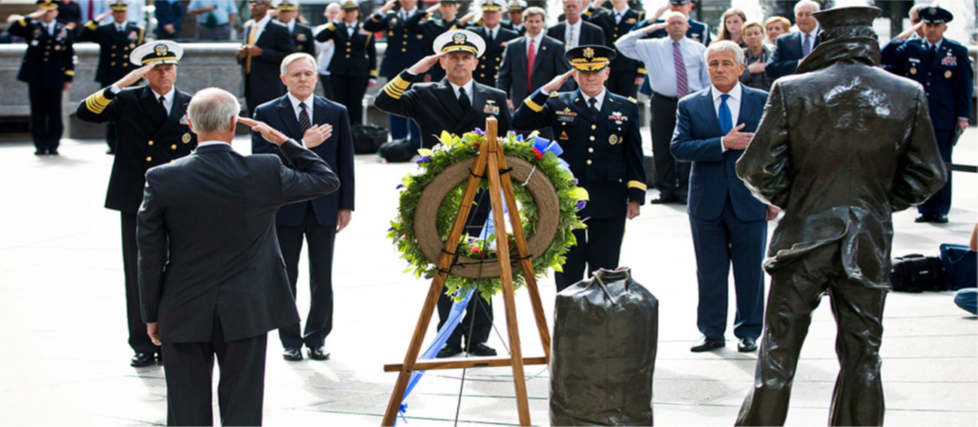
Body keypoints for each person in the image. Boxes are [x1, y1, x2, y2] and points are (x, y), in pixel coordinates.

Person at [734, 7, 947, 426]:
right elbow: (930, 174)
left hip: (802, 239)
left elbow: (754, 168)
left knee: (777, 354)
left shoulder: (792, 89)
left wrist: (799, 201)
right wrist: (878, 203)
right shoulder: (907, 93)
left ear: (826, 39)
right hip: (866, 240)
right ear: (869, 40)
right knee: (863, 355)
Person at [138, 87, 339, 426]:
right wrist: (283, 140)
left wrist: (151, 313)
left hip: (182, 305)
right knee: (242, 406)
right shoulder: (264, 170)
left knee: (185, 408)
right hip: (247, 307)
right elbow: (326, 179)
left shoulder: (162, 177)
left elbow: (149, 254)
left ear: (189, 123)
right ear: (234, 123)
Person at [375, 30, 512, 357]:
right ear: (442, 61)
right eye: (453, 57)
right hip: (442, 192)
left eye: (466, 57)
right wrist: (412, 71)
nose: (460, 62)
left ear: (476, 62)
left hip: (481, 193)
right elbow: (384, 101)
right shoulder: (423, 93)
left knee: (481, 263)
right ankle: (448, 336)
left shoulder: (494, 95)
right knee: (446, 262)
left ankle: (478, 336)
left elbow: (507, 144)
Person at [75, 40, 197, 367]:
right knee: (139, 271)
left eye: (169, 66)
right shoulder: (127, 99)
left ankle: (173, 336)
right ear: (144, 72)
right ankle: (142, 342)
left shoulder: (191, 104)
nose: (164, 72)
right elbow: (85, 112)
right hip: (136, 198)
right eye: (156, 68)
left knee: (181, 269)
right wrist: (123, 82)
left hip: (179, 199)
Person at [670, 40, 775, 353]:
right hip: (707, 203)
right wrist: (722, 143)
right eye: (714, 63)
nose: (719, 69)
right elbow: (679, 148)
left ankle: (749, 332)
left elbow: (778, 151)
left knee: (750, 271)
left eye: (727, 63)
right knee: (710, 271)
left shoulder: (763, 101)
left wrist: (774, 196)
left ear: (741, 68)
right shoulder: (690, 105)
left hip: (751, 200)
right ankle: (712, 332)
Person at [512, 45, 646, 291]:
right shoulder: (558, 103)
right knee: (568, 267)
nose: (591, 77)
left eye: (597, 71)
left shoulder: (625, 107)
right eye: (584, 72)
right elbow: (520, 122)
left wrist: (635, 196)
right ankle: (567, 324)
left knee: (605, 268)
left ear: (607, 73)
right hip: (567, 200)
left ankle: (600, 322)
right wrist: (545, 90)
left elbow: (633, 154)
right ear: (574, 75)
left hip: (609, 199)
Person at [251, 53, 355, 362]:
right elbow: (261, 161)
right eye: (296, 75)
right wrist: (301, 143)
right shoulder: (267, 112)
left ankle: (318, 337)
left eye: (308, 73)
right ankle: (290, 339)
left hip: (325, 206)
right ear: (284, 79)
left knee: (322, 276)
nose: (303, 79)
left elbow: (345, 161)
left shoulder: (335, 111)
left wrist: (346, 204)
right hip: (285, 207)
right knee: (286, 276)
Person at [880, 6, 972, 224]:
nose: (931, 30)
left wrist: (963, 117)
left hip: (943, 116)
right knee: (918, 162)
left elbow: (964, 87)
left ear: (944, 27)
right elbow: (885, 55)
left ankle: (940, 208)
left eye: (936, 25)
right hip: (916, 115)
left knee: (942, 162)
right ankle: (924, 207)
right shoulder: (911, 47)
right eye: (927, 25)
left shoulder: (955, 51)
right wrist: (905, 34)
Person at [615, 11, 708, 205]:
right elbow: (621, 44)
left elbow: (705, 77)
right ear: (665, 26)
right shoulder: (652, 46)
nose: (675, 26)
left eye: (679, 23)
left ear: (687, 26)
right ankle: (666, 190)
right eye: (671, 23)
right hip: (662, 101)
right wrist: (649, 28)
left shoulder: (699, 49)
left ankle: (684, 189)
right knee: (661, 145)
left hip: (690, 101)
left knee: (687, 144)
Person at [6, 0, 75, 156]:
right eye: (44, 10)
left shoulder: (64, 30)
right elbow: (13, 29)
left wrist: (68, 78)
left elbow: (69, 55)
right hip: (35, 76)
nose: (47, 14)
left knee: (54, 112)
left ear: (56, 12)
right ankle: (39, 145)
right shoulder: (32, 27)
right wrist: (32, 16)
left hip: (55, 76)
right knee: (38, 112)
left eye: (50, 11)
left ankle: (53, 145)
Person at [78, 1, 145, 154]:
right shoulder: (103, 30)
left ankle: (128, 141)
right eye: (116, 12)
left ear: (126, 13)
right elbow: (82, 35)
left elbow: (141, 56)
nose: (120, 15)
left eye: (122, 12)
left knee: (131, 110)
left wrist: (140, 75)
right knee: (110, 108)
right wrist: (97, 19)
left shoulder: (136, 30)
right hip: (110, 75)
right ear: (112, 14)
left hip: (129, 75)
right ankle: (112, 143)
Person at [364, 0, 425, 144]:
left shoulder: (424, 17)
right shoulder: (391, 16)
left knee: (416, 103)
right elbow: (369, 26)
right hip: (395, 67)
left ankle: (416, 141)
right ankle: (398, 140)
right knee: (394, 101)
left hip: (417, 67)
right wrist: (382, 10)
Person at [497, 6, 570, 112]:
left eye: (537, 21)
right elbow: (503, 75)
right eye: (530, 21)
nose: (534, 25)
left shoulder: (555, 46)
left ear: (543, 23)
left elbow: (564, 77)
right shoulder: (513, 46)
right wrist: (505, 98)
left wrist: (560, 101)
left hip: (547, 101)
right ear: (524, 22)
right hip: (518, 102)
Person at [315, 0, 376, 126]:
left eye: (352, 11)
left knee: (355, 103)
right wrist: (336, 21)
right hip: (338, 70)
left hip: (358, 72)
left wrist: (372, 75)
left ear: (357, 12)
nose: (349, 14)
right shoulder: (336, 27)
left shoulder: (365, 29)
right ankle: (338, 129)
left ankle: (356, 131)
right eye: (346, 11)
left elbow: (372, 54)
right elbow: (320, 37)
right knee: (338, 102)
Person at [238, 0, 295, 116]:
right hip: (249, 82)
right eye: (251, 2)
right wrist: (240, 55)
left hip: (269, 83)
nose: (254, 5)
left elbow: (289, 55)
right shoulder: (248, 26)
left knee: (271, 119)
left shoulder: (279, 28)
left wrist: (262, 52)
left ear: (267, 6)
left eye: (259, 2)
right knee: (253, 120)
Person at [587, 0, 645, 98]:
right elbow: (584, 23)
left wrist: (641, 71)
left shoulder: (638, 16)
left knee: (628, 100)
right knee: (609, 100)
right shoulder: (603, 16)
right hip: (608, 66)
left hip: (628, 66)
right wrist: (594, 6)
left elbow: (642, 42)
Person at [466, 0, 519, 89]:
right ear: (482, 14)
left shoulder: (512, 35)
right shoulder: (472, 34)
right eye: (486, 12)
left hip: (501, 83)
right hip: (477, 82)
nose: (490, 15)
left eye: (494, 12)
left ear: (501, 14)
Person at [405, 0, 459, 82]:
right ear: (440, 8)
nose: (447, 9)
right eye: (444, 6)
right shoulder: (432, 25)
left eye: (450, 6)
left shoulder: (463, 26)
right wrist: (427, 11)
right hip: (436, 69)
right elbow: (408, 25)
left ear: (455, 7)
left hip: (457, 67)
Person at [766, 0, 820, 80]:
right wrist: (799, 63)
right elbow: (771, 68)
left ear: (817, 16)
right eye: (800, 14)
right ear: (795, 17)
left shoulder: (828, 37)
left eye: (808, 14)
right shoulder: (783, 41)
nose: (804, 18)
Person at [634, 0, 711, 45]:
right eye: (674, 4)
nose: (677, 8)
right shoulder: (660, 26)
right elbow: (633, 34)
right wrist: (655, 17)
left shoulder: (701, 28)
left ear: (689, 6)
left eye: (681, 4)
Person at [314, 2, 342, 100]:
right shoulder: (321, 29)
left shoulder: (343, 28)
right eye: (331, 12)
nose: (333, 15)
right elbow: (317, 47)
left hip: (341, 68)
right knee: (329, 94)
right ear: (326, 14)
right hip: (325, 67)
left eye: (336, 12)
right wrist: (328, 42)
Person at [739, 21, 772, 91]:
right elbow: (732, 78)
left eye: (756, 33)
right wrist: (749, 70)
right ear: (743, 38)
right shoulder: (738, 55)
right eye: (749, 34)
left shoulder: (772, 55)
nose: (753, 37)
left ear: (763, 35)